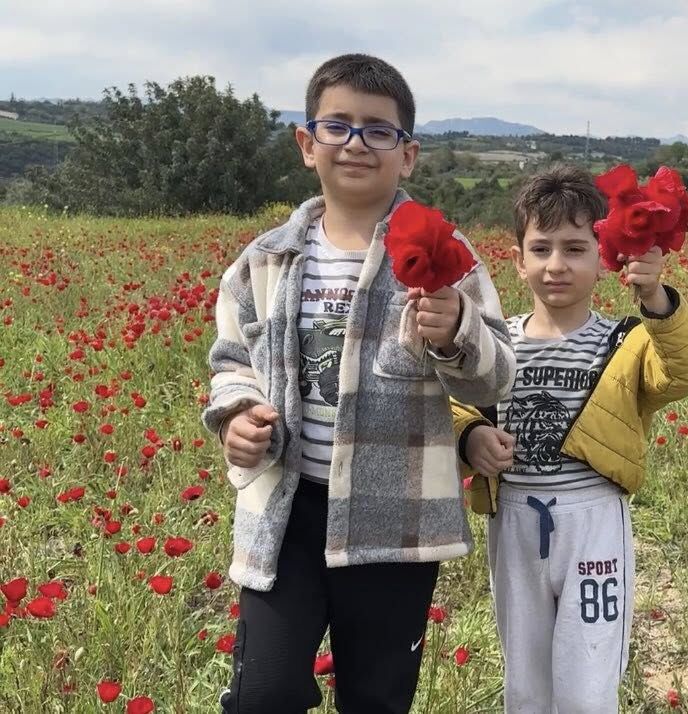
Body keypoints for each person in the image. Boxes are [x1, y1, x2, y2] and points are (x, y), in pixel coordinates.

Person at [201, 53, 514, 713]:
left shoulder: (446, 256)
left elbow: (496, 376)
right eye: (337, 125)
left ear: (408, 155)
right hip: (285, 509)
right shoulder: (264, 260)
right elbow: (231, 357)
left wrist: (458, 325)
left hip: (393, 518)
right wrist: (234, 416)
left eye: (378, 129)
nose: (356, 142)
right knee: (264, 693)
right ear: (306, 143)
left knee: (376, 696)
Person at [452, 166, 688, 712]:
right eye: (540, 249)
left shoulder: (627, 340)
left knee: (588, 676)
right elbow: (455, 404)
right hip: (514, 518)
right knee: (524, 676)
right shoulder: (497, 343)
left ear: (603, 257)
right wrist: (471, 436)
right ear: (517, 260)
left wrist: (658, 299)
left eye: (575, 248)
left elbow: (685, 372)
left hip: (592, 520)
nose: (556, 265)